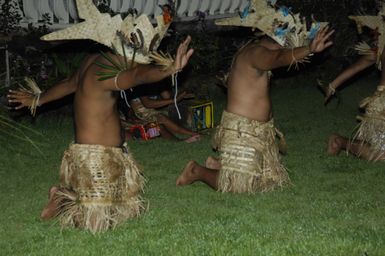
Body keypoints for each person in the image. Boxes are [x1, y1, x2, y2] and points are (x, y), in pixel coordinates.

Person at [7, 0, 193, 233]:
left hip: (107, 153)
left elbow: (70, 83)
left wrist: (39, 99)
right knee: (99, 224)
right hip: (96, 157)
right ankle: (62, 197)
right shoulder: (109, 72)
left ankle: (72, 194)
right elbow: (138, 76)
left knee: (120, 208)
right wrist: (170, 69)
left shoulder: (94, 61)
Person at [176, 0, 334, 193]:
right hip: (243, 129)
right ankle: (197, 171)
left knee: (268, 181)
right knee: (240, 187)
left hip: (258, 130)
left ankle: (219, 165)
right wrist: (309, 49)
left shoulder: (255, 49)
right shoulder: (257, 53)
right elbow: (279, 58)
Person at [327, 43, 385, 161]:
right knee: (380, 154)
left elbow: (371, 56)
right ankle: (340, 142)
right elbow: (371, 57)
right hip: (383, 102)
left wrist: (334, 84)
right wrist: (333, 85)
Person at [320, 8, 384, 105]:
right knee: (372, 55)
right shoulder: (375, 53)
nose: (374, 40)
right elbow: (359, 66)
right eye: (374, 36)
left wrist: (380, 94)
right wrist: (331, 87)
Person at [127, 84, 200, 142]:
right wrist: (174, 100)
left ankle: (189, 132)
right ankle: (187, 136)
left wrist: (181, 96)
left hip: (151, 115)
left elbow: (168, 97)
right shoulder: (140, 84)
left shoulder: (159, 82)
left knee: (170, 117)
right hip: (140, 117)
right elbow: (147, 104)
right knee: (160, 122)